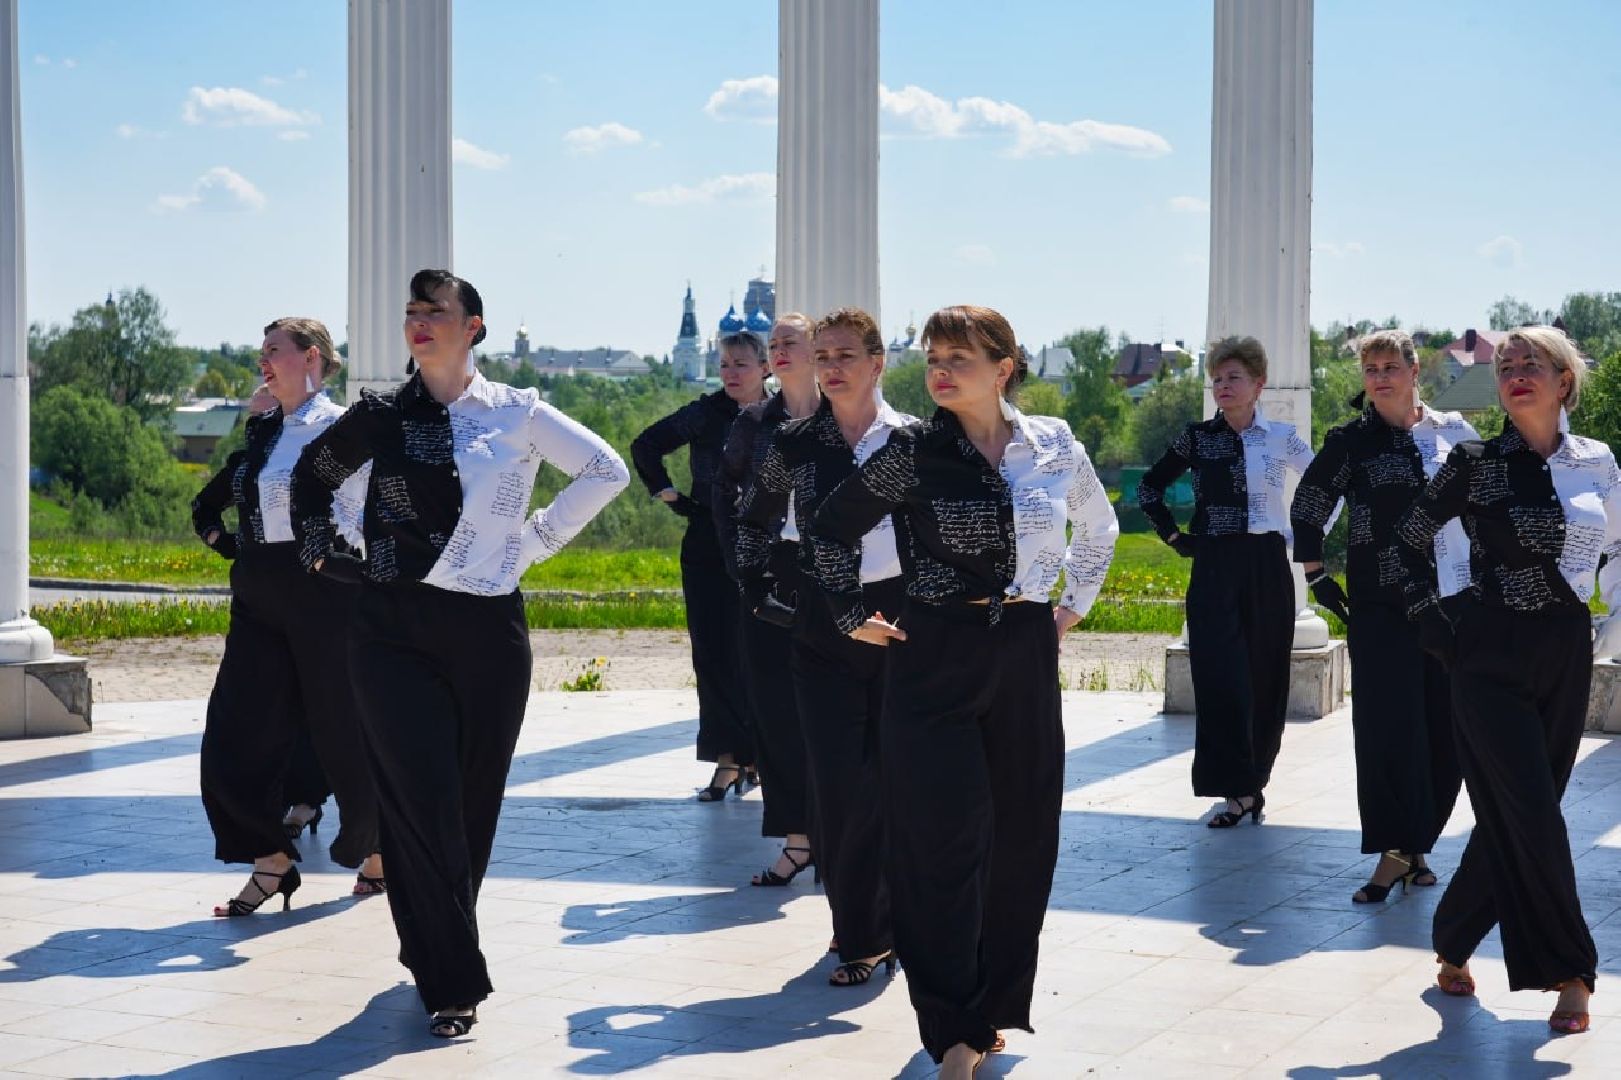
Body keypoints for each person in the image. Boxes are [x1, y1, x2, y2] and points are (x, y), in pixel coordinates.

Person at [289, 269, 629, 1038]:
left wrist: (536, 542)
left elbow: (606, 471)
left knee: (470, 806)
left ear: (473, 325)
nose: (419, 323)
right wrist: (326, 554)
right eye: (411, 312)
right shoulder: (379, 416)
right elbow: (312, 480)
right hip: (388, 629)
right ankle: (451, 978)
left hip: (487, 631)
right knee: (418, 800)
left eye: (434, 312)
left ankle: (432, 940)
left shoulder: (517, 413)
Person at [809, 305, 1118, 1077]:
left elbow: (1100, 526)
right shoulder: (910, 450)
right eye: (933, 355)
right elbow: (827, 528)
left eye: (959, 356)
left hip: (1022, 653)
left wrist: (1067, 609)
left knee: (1020, 841)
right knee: (937, 845)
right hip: (932, 654)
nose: (940, 370)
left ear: (1003, 366)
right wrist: (852, 614)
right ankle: (949, 1030)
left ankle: (989, 1013)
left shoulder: (1052, 444)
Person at [1395, 326, 1609, 1036]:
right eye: (1507, 365)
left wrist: (1607, 630)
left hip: (1563, 649)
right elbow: (1405, 543)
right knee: (1534, 814)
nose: (1515, 374)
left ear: (1562, 381)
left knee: (1522, 810)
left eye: (1532, 365)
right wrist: (1436, 625)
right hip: (1483, 654)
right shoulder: (1474, 461)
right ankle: (1572, 972)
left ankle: (1452, 937)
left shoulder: (1596, 462)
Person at [735, 307, 915, 987]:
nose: (833, 366)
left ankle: (902, 916)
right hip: (823, 623)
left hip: (904, 622)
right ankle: (860, 935)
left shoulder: (916, 440)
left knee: (902, 781)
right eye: (824, 354)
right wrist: (762, 596)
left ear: (877, 363)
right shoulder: (795, 442)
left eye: (847, 354)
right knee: (838, 786)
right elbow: (752, 522)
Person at [192, 317, 382, 917]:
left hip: (324, 592)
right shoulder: (266, 430)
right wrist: (229, 543)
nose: (262, 362)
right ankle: (270, 861)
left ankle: (376, 850)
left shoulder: (340, 428)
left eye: (273, 351)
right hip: (258, 592)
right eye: (261, 353)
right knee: (232, 732)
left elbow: (369, 510)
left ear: (313, 358)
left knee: (342, 731)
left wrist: (337, 556)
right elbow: (235, 498)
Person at [1290, 329, 1476, 903]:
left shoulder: (1455, 433)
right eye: (1371, 368)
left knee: (1445, 729)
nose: (1380, 377)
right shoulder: (1352, 442)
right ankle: (1394, 853)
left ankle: (1420, 843)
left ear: (1414, 370)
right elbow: (1309, 505)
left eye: (1390, 365)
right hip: (1381, 605)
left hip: (1449, 600)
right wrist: (1318, 576)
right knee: (1388, 729)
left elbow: (1482, 505)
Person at [1136, 335, 1316, 828]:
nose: (1223, 386)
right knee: (1221, 678)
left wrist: (1305, 536)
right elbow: (1149, 486)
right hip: (1213, 564)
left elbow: (1324, 486)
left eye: (1234, 377)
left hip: (1265, 564)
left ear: (1258, 384)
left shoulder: (1282, 437)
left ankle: (1254, 782)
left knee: (1265, 676)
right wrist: (1174, 535)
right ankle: (1234, 788)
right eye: (1217, 378)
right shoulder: (1197, 438)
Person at [632, 332, 767, 800]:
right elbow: (646, 446)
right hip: (709, 543)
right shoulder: (706, 412)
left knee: (763, 654)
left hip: (767, 549)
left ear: (765, 368)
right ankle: (728, 760)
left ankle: (765, 758)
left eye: (742, 365)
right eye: (725, 364)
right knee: (713, 653)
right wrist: (669, 496)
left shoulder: (783, 416)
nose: (732, 373)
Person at [713, 314, 821, 886]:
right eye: (773, 344)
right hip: (769, 575)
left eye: (790, 343)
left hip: (837, 578)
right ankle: (797, 838)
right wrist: (743, 568)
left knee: (833, 711)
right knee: (776, 711)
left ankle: (840, 834)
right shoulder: (755, 420)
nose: (778, 352)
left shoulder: (845, 416)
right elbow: (726, 494)